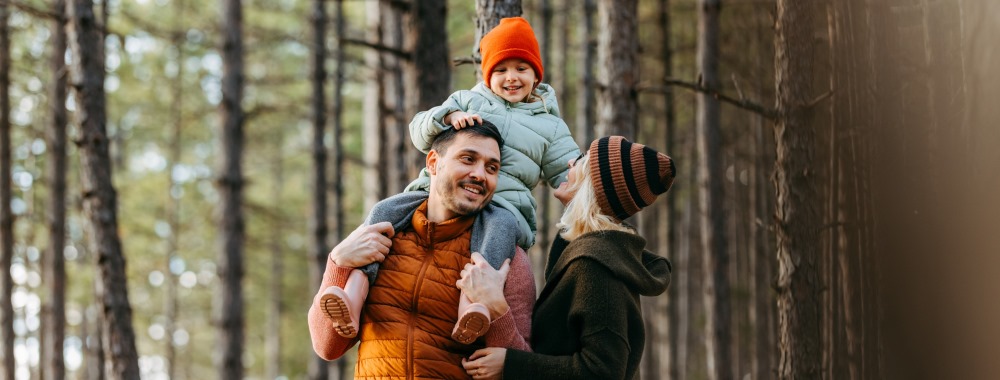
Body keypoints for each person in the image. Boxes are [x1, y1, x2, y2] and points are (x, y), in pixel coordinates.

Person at [320, 16, 580, 345]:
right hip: (428, 196)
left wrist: (578, 181)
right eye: (501, 70)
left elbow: (567, 166)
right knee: (384, 211)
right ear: (487, 74)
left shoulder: (550, 125)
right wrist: (448, 116)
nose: (511, 78)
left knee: (494, 243)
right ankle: (352, 295)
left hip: (504, 207)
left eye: (521, 69)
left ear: (536, 74)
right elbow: (419, 129)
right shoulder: (469, 100)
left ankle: (471, 309)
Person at [307, 122, 534, 379]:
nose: (480, 174)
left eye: (492, 168)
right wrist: (337, 264)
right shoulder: (379, 238)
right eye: (468, 159)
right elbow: (327, 347)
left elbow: (520, 365)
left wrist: (496, 307)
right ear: (433, 162)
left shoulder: (505, 259)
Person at [458, 136, 676, 380]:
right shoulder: (597, 252)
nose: (571, 162)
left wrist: (511, 364)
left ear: (592, 184)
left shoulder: (597, 265)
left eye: (582, 159)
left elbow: (601, 372)